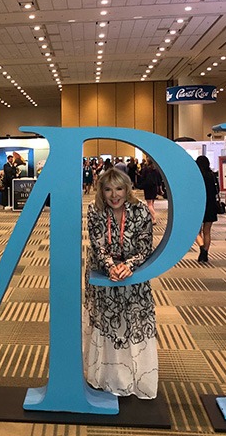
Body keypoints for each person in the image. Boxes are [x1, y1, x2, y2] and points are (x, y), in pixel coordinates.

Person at [83, 168, 157, 399]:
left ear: (127, 189)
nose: (114, 195)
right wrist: (111, 267)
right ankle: (108, 376)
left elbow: (145, 247)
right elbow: (97, 245)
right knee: (108, 322)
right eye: (108, 189)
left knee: (132, 321)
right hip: (103, 276)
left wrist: (128, 266)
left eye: (119, 189)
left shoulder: (141, 210)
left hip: (133, 277)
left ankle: (135, 377)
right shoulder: (95, 211)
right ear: (101, 192)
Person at [194, 156, 219, 263]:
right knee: (207, 232)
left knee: (196, 231)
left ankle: (201, 247)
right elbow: (216, 190)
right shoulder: (212, 175)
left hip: (198, 205)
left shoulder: (196, 176)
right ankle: (206, 252)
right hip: (211, 205)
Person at [138, 159, 160, 223]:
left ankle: (154, 218)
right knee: (152, 203)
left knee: (149, 204)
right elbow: (158, 179)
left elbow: (142, 178)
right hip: (154, 187)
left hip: (147, 187)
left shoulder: (146, 169)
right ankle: (152, 218)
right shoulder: (156, 169)